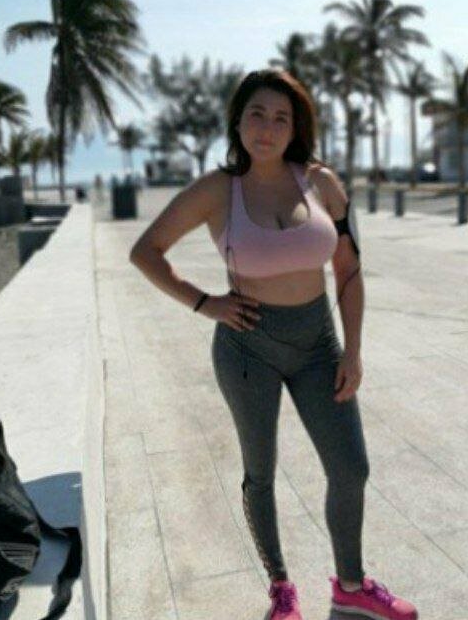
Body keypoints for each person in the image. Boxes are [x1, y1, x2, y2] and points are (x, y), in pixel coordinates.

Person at [129, 69, 418, 620]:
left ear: (295, 128)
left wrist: (353, 350)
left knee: (350, 468)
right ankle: (281, 590)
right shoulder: (217, 190)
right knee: (260, 472)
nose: (268, 127)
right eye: (257, 114)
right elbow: (146, 250)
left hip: (318, 345)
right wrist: (204, 302)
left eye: (281, 118)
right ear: (237, 121)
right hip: (247, 349)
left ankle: (350, 586)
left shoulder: (322, 183)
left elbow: (348, 269)